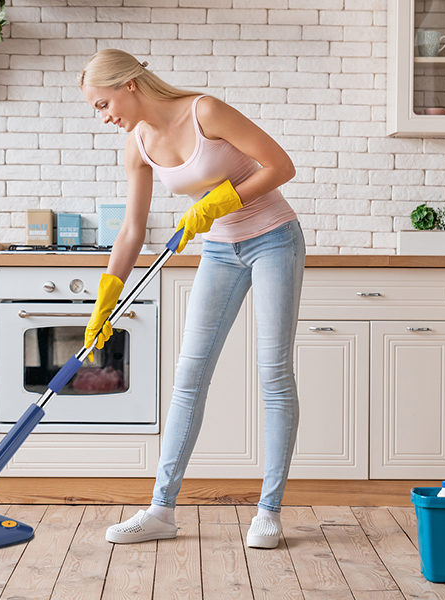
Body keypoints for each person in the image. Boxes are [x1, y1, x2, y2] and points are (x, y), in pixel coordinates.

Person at [79, 49, 305, 550]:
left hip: (273, 237)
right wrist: (105, 300)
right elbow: (132, 230)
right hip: (220, 250)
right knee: (189, 376)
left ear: (129, 84)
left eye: (102, 103)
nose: (104, 116)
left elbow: (280, 166)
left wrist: (219, 201)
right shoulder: (136, 144)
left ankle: (268, 512)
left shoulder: (205, 112)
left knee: (273, 373)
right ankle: (161, 510)